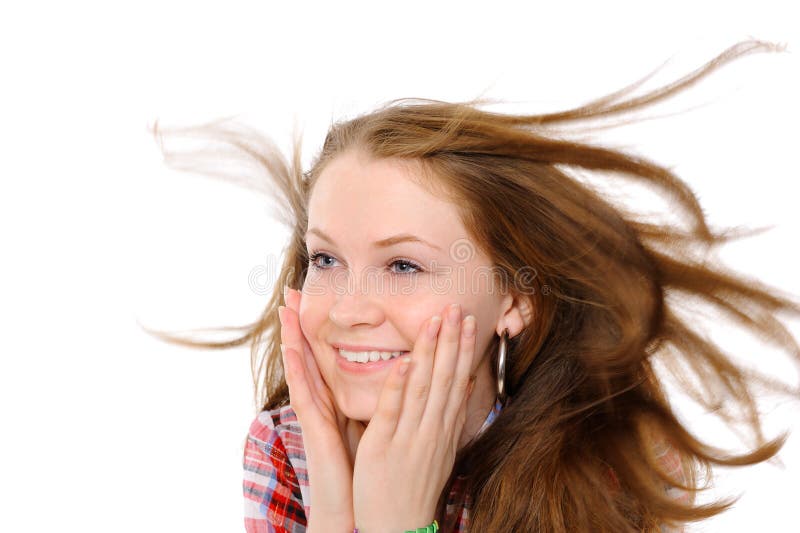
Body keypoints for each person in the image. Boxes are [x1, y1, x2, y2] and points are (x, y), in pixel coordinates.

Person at [145, 39, 800, 532]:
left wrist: (401, 524)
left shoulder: (609, 468)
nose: (346, 309)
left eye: (404, 266)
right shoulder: (286, 448)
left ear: (515, 298)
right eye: (325, 260)